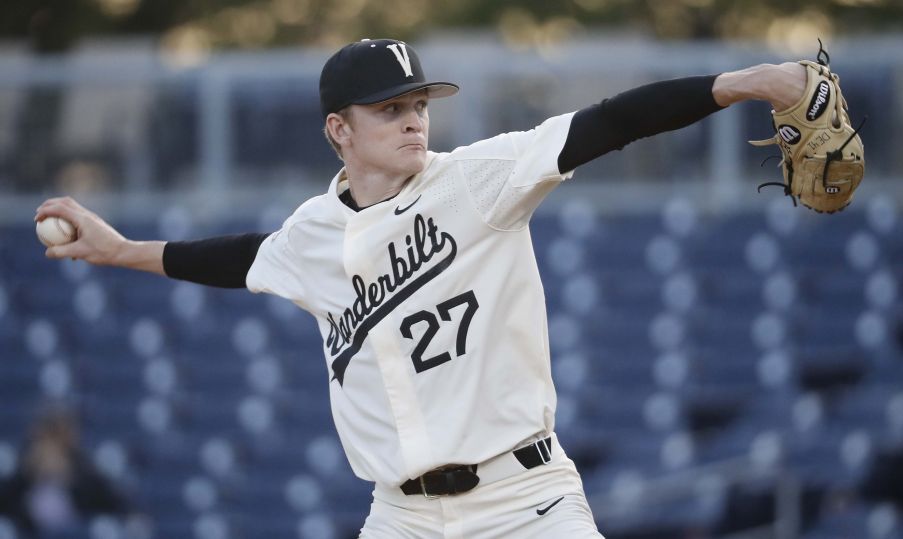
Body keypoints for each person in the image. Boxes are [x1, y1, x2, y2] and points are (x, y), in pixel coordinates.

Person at [35, 38, 807, 537]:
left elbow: (611, 121)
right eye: (390, 108)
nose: (414, 121)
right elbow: (243, 257)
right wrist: (124, 250)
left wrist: (749, 82)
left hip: (524, 503)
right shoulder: (311, 232)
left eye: (419, 105)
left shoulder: (478, 180)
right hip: (399, 514)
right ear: (339, 129)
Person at [0, 405, 131, 537]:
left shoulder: (89, 481)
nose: (51, 451)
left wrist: (69, 479)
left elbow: (120, 507)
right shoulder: (19, 483)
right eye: (46, 441)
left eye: (57, 443)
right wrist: (30, 475)